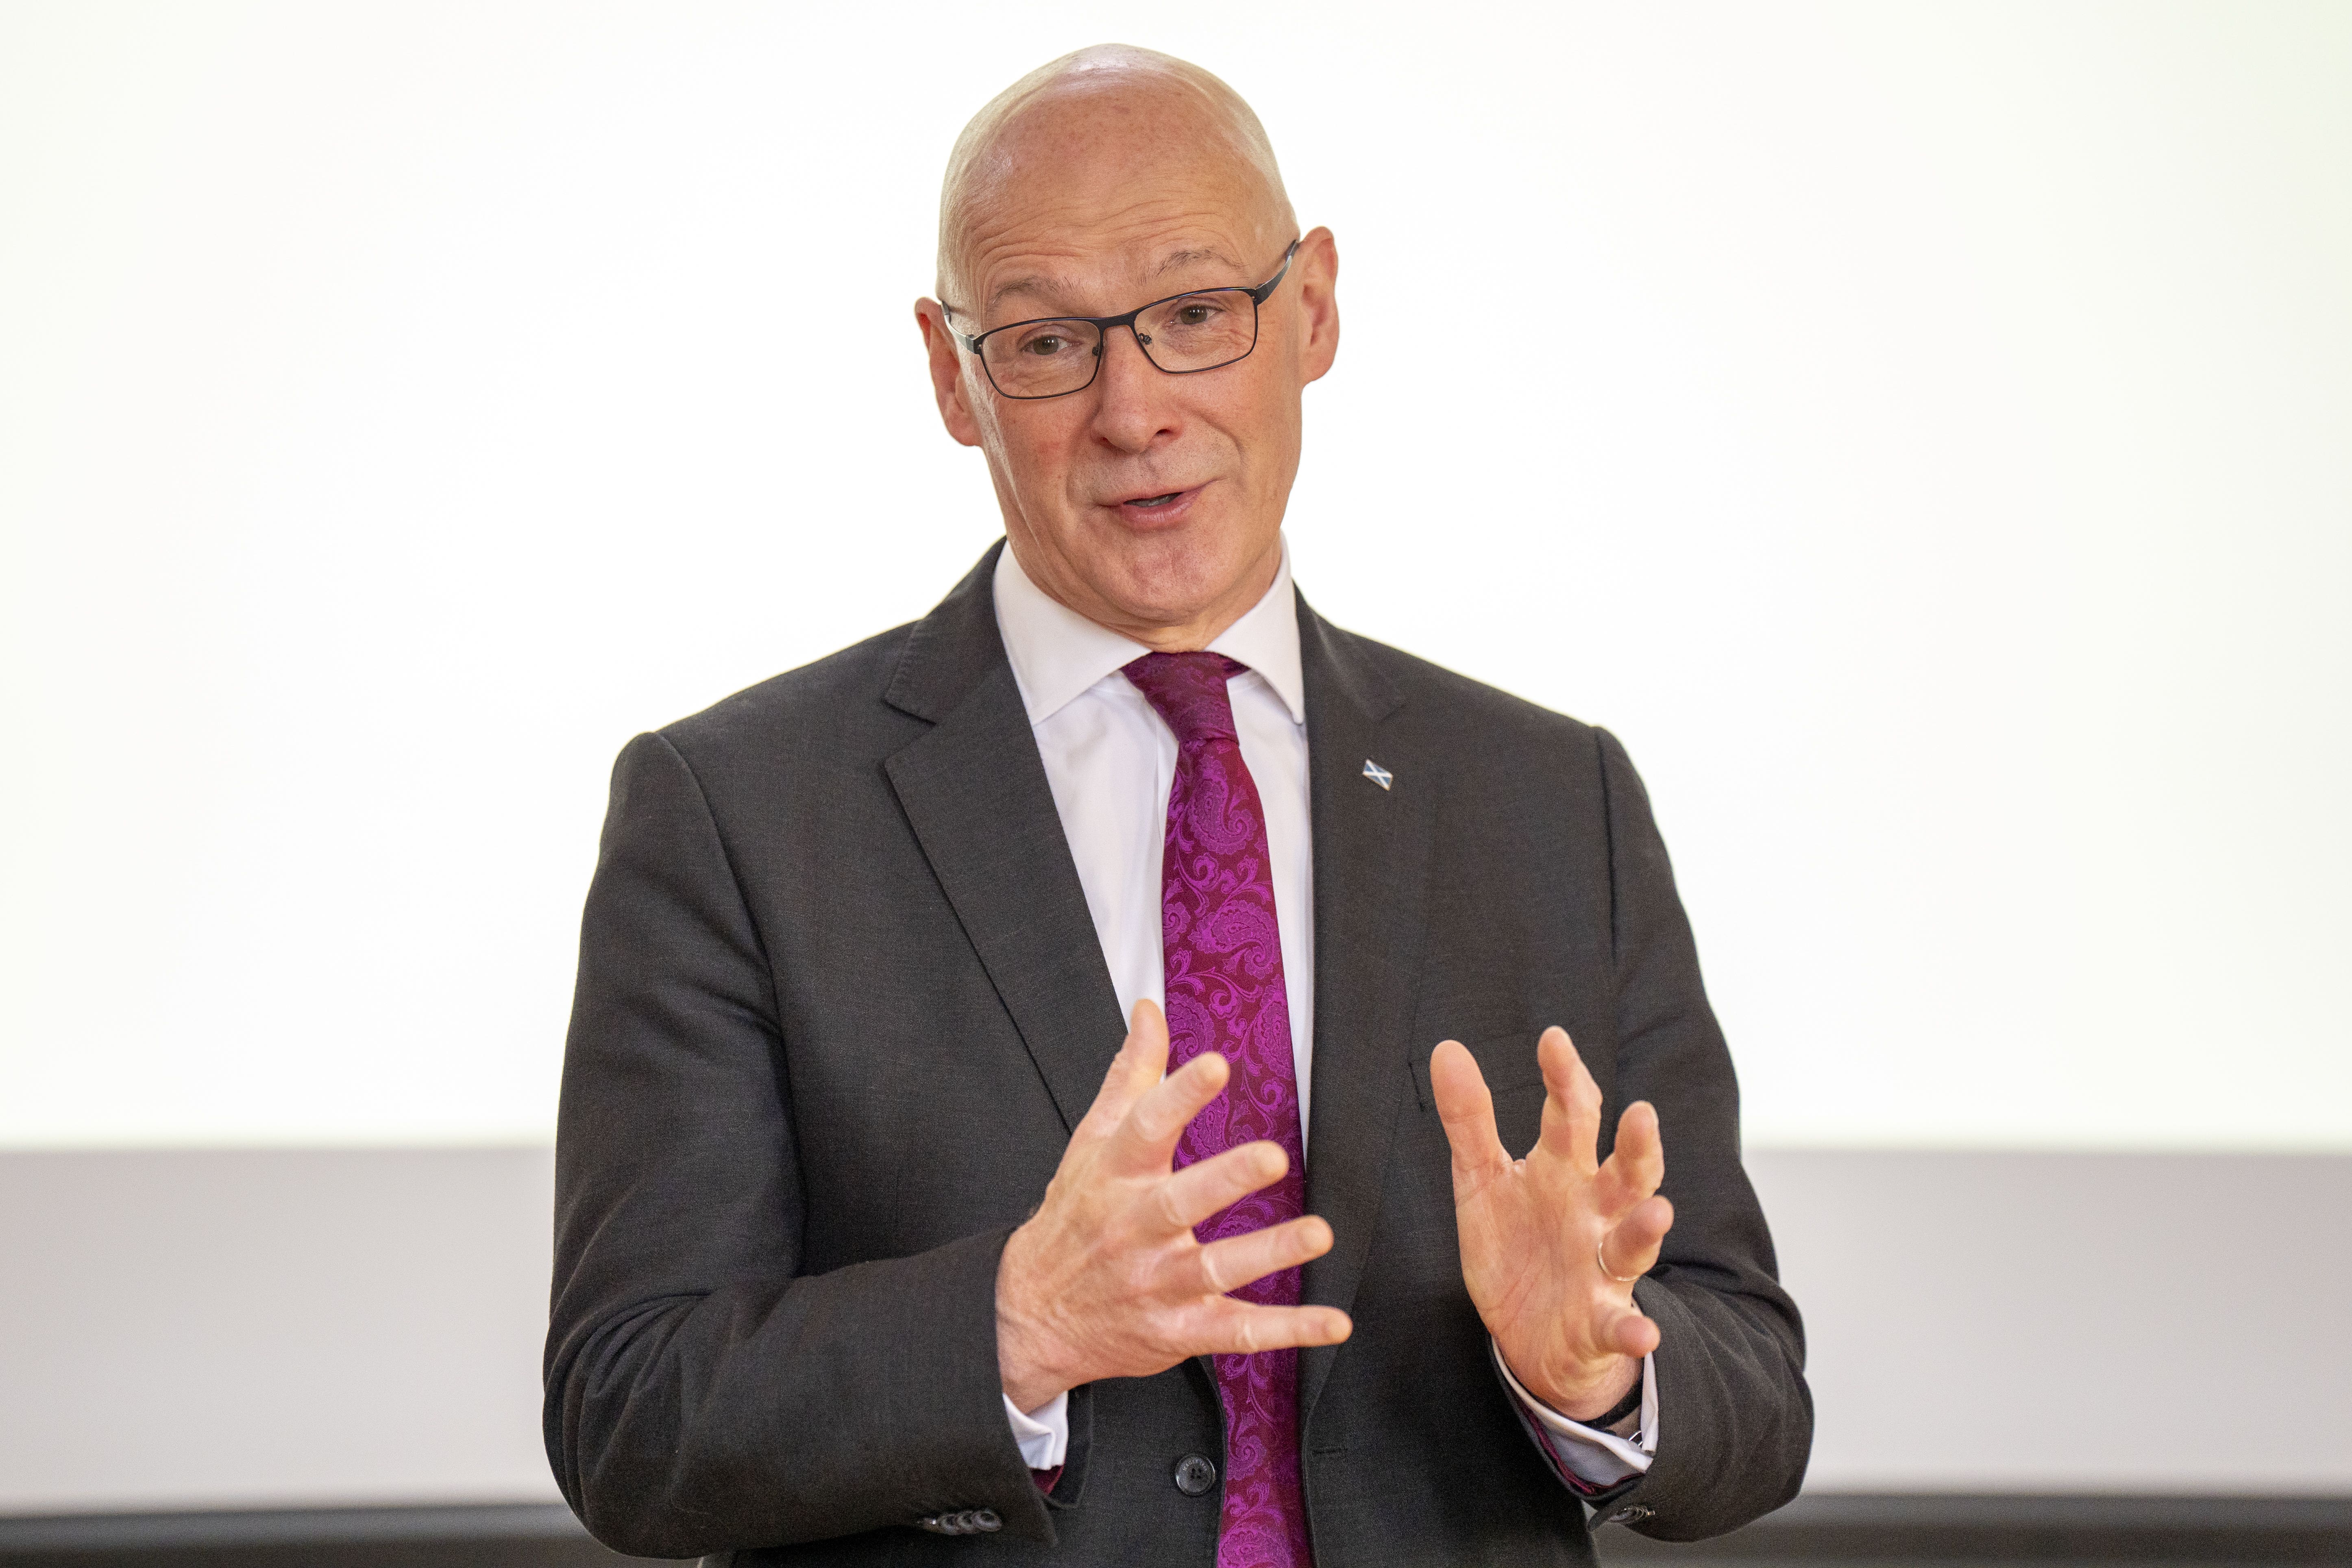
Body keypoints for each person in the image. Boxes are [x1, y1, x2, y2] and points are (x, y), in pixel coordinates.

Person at [545, 44, 1809, 1568]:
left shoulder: (1554, 799)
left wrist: (1596, 1374)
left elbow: (1753, 1385)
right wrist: (1010, 1327)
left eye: (1197, 315)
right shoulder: (737, 814)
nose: (1133, 408)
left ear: (1315, 310)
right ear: (953, 376)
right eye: (1046, 342)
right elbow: (629, 1416)